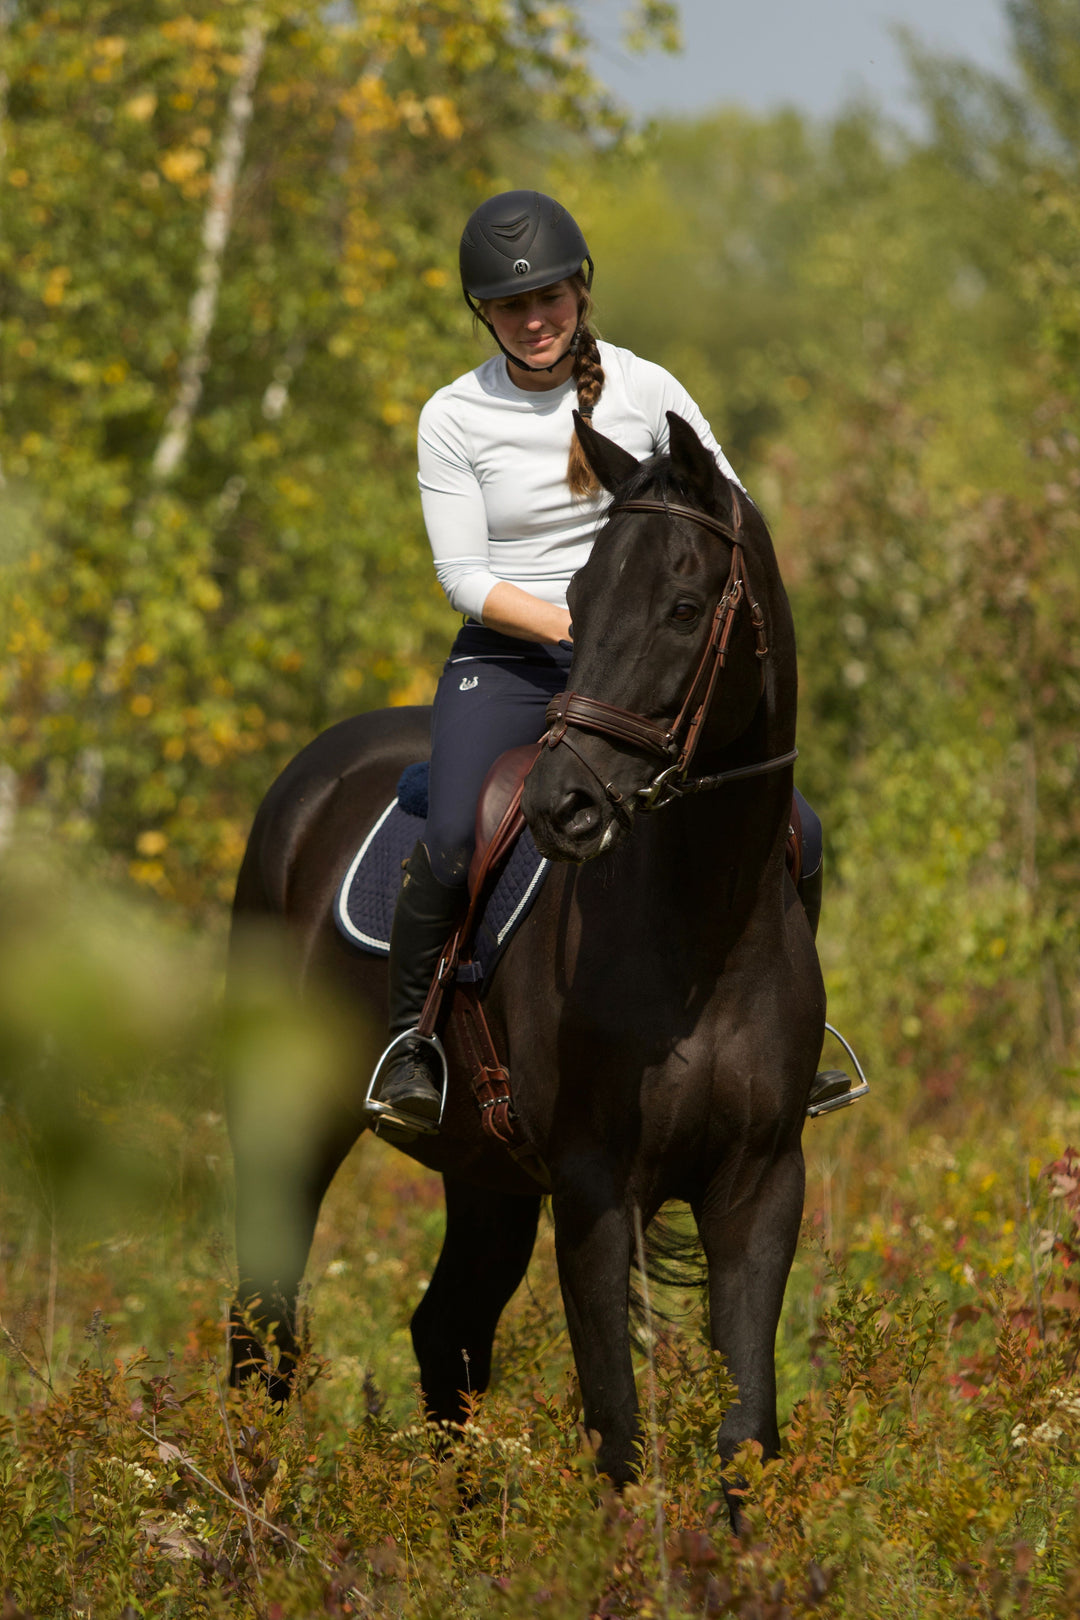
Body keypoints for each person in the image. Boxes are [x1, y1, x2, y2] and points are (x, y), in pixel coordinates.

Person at [373, 190, 824, 1130]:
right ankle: (409, 1041)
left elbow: (732, 514)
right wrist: (577, 631)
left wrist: (670, 629)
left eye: (550, 298)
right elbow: (462, 576)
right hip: (511, 659)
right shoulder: (453, 415)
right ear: (484, 316)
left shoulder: (649, 389)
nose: (535, 320)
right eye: (510, 307)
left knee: (799, 831)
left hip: (642, 664)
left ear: (582, 291)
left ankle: (792, 1038)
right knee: (456, 836)